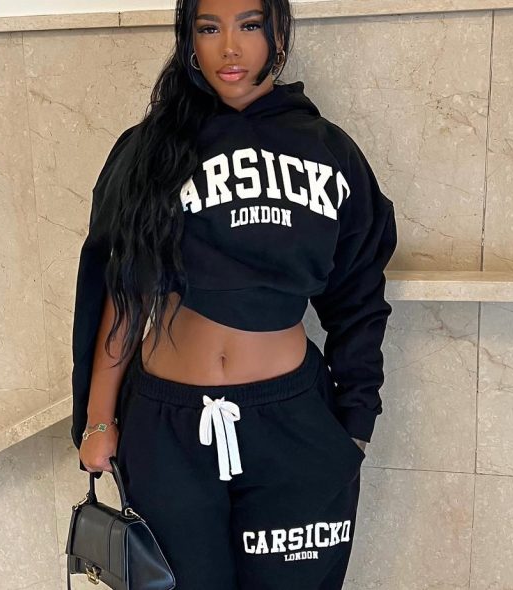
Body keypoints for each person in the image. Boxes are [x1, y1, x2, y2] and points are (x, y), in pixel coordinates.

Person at [70, 0, 397, 587]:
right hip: (168, 431)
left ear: (277, 31)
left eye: (249, 25)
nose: (229, 47)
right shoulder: (150, 149)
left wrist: (355, 423)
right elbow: (123, 291)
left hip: (291, 425)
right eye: (208, 28)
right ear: (189, 40)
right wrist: (97, 420)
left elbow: (358, 296)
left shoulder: (329, 151)